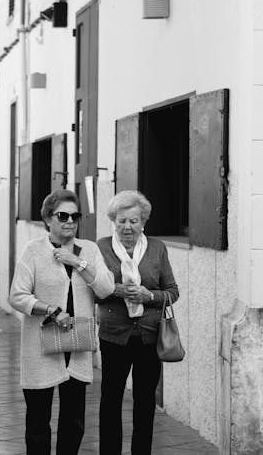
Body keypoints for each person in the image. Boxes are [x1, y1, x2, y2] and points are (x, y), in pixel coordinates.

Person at [9, 189, 114, 455]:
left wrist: (77, 262)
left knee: (74, 421)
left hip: (76, 345)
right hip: (40, 345)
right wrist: (50, 310)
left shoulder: (89, 249)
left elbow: (105, 289)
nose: (70, 221)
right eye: (62, 215)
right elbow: (17, 295)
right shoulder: (33, 250)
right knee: (37, 422)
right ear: (47, 219)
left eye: (75, 216)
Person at [96, 190, 179, 455]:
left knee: (145, 402)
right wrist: (119, 290)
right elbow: (94, 289)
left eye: (133, 220)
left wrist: (149, 295)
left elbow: (172, 292)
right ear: (114, 221)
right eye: (121, 220)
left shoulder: (157, 248)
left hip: (149, 337)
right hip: (114, 336)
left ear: (143, 222)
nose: (127, 227)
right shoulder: (102, 247)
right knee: (110, 400)